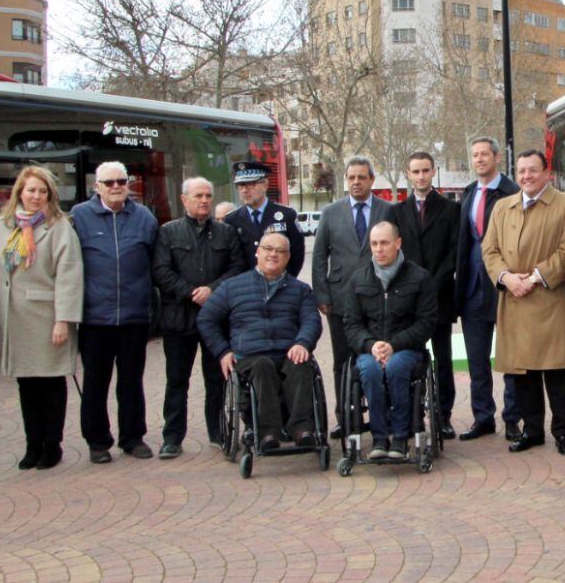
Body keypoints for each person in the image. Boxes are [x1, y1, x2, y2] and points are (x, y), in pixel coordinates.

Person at [483, 150, 565, 455]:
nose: (526, 176)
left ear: (547, 173)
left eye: (533, 170)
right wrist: (506, 278)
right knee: (523, 372)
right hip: (514, 300)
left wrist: (535, 278)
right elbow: (490, 249)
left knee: (558, 371)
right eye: (522, 170)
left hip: (552, 301)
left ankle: (563, 433)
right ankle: (532, 430)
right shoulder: (503, 207)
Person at [198, 227, 322, 450]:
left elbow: (311, 320)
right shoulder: (232, 287)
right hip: (250, 356)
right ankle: (267, 433)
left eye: (280, 251)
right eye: (268, 248)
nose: (273, 254)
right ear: (257, 252)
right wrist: (223, 351)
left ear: (288, 257)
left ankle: (302, 429)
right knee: (262, 366)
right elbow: (206, 319)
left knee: (302, 364)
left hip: (288, 352)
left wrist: (302, 343)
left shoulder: (300, 290)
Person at [0, 166, 83, 471]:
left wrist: (63, 320)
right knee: (27, 384)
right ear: (20, 192)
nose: (36, 196)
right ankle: (32, 445)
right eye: (31, 190)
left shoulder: (59, 227)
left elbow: (69, 274)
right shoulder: (5, 224)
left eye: (42, 191)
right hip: (14, 315)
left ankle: (51, 445)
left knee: (51, 382)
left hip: (47, 316)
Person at [71, 161, 158, 463]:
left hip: (134, 316)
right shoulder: (79, 217)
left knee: (131, 382)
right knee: (96, 382)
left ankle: (133, 438)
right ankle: (97, 442)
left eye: (121, 181)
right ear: (97, 187)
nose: (116, 186)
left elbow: (156, 263)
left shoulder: (144, 217)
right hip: (95, 317)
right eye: (109, 183)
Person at [152, 177, 244, 458]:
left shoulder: (226, 233)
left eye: (208, 195)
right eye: (198, 196)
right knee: (176, 380)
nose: (204, 200)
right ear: (184, 200)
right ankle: (172, 437)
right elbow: (161, 271)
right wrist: (191, 292)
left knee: (216, 379)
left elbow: (237, 268)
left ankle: (218, 432)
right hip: (179, 318)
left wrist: (212, 290)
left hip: (215, 319)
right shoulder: (168, 232)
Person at [312, 156, 391, 436]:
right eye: (351, 178)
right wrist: (321, 294)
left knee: (379, 356)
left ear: (372, 180)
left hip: (379, 297)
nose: (356, 182)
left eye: (362, 177)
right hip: (340, 299)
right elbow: (319, 255)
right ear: (346, 180)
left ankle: (384, 413)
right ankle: (346, 416)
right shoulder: (331, 212)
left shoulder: (387, 210)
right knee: (342, 361)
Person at [344, 222, 437, 459]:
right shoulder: (358, 279)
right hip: (370, 350)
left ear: (397, 243)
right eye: (374, 244)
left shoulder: (419, 277)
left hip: (407, 349)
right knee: (370, 371)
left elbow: (426, 322)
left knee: (396, 367)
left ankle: (400, 437)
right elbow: (352, 324)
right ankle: (379, 438)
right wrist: (371, 345)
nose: (379, 249)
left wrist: (394, 345)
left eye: (384, 243)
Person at [388, 152, 460, 440]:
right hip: (406, 299)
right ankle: (410, 414)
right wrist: (412, 285)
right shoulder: (396, 212)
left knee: (443, 359)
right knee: (406, 357)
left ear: (433, 171)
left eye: (426, 171)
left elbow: (454, 252)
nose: (421, 176)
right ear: (408, 173)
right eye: (416, 171)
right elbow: (394, 253)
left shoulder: (451, 209)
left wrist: (432, 283)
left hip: (440, 296)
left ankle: (443, 416)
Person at [455, 137, 521, 442]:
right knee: (476, 361)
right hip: (471, 289)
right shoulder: (468, 193)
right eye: (475, 155)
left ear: (496, 157)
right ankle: (483, 418)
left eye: (484, 154)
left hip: (504, 288)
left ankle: (513, 419)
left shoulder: (512, 192)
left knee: (511, 359)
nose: (479, 159)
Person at [225, 161, 304, 276]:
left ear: (265, 185)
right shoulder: (232, 220)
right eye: (240, 185)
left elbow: (297, 254)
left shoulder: (286, 215)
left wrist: (285, 281)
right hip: (245, 284)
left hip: (279, 282)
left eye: (250, 184)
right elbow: (231, 261)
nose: (244, 190)